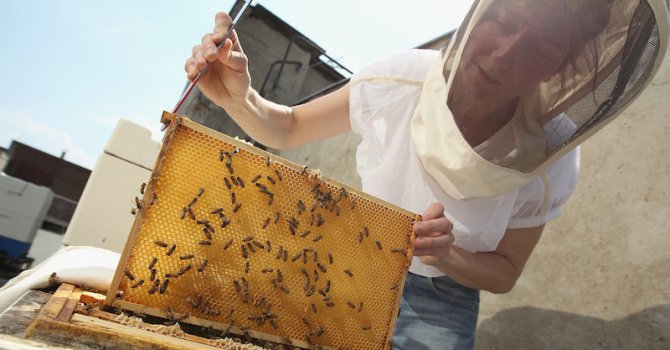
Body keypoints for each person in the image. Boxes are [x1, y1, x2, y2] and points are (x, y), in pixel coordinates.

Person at [184, 0, 668, 348]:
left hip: (444, 298)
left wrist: (448, 254)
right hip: (353, 267)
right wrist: (238, 98)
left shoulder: (551, 156)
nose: (504, 52)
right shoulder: (399, 79)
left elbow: (504, 274)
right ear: (480, 12)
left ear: (562, 67)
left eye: (541, 45)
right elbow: (287, 127)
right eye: (503, 22)